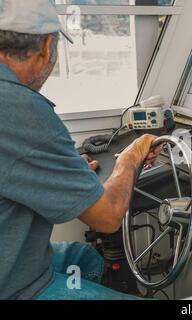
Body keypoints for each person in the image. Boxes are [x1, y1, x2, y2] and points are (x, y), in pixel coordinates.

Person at [0, 0, 161, 299]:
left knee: (85, 259)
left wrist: (62, 170)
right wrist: (131, 157)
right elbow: (108, 216)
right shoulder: (19, 107)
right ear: (47, 46)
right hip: (15, 287)